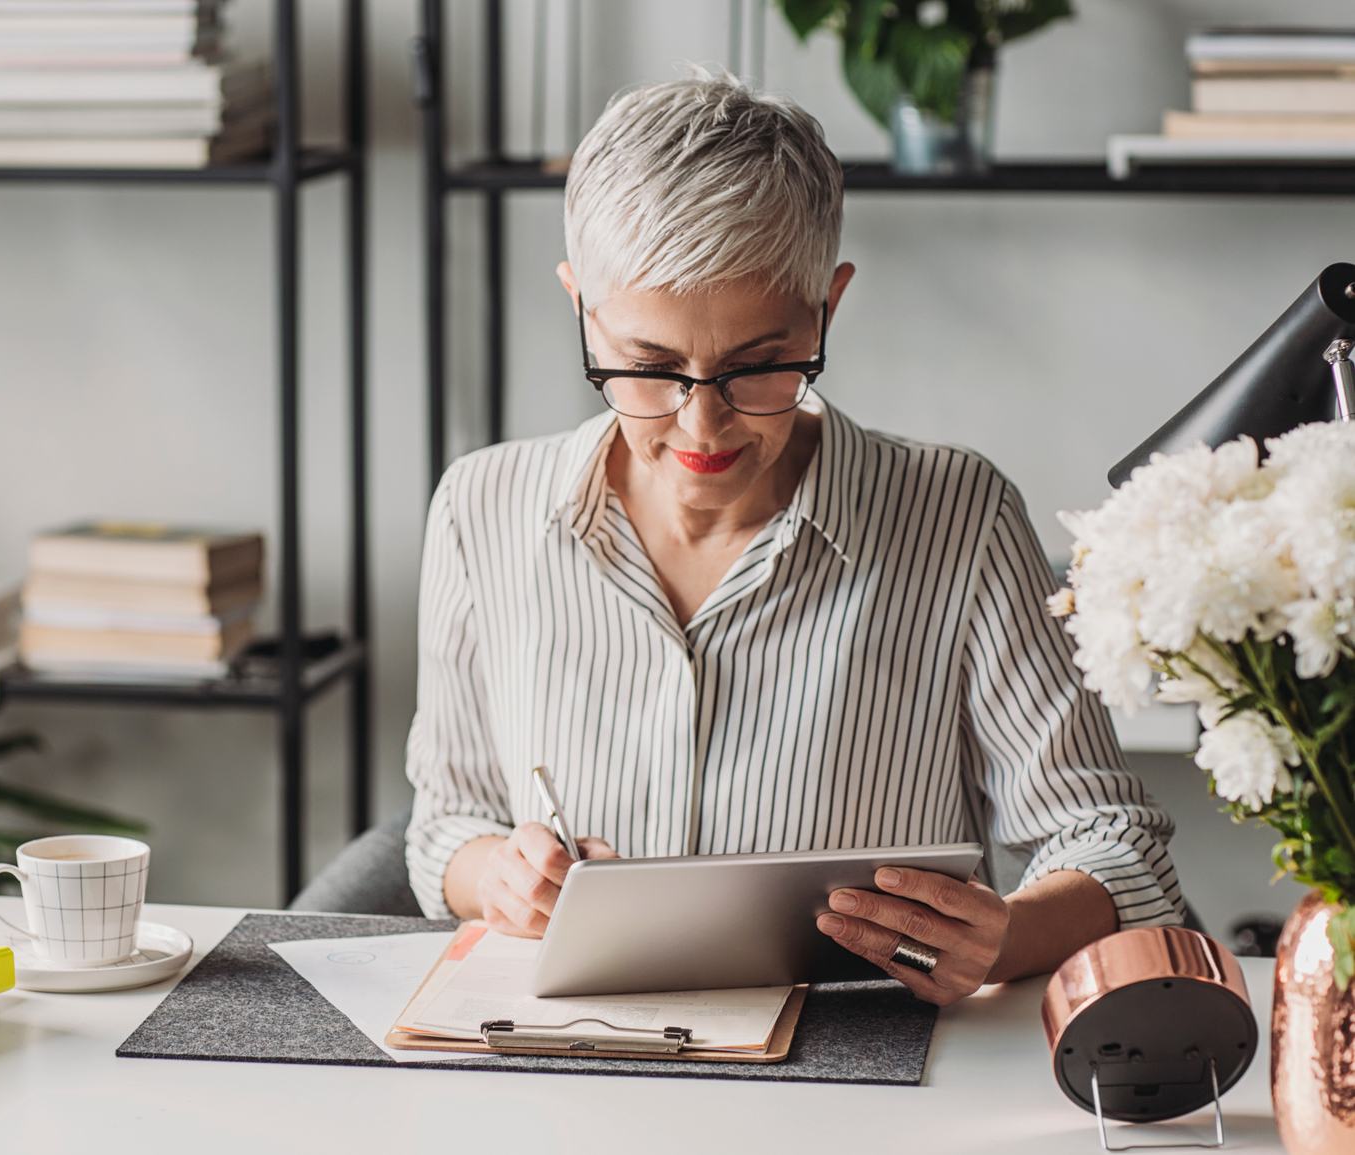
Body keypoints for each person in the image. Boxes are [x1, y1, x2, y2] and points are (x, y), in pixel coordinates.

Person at [403, 72, 1182, 1007]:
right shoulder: (479, 508)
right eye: (649, 368)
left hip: (864, 1064)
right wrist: (496, 874)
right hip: (574, 1064)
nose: (702, 426)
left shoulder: (957, 516)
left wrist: (1008, 935)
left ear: (827, 308)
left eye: (758, 367)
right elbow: (442, 826)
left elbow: (1113, 844)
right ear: (582, 307)